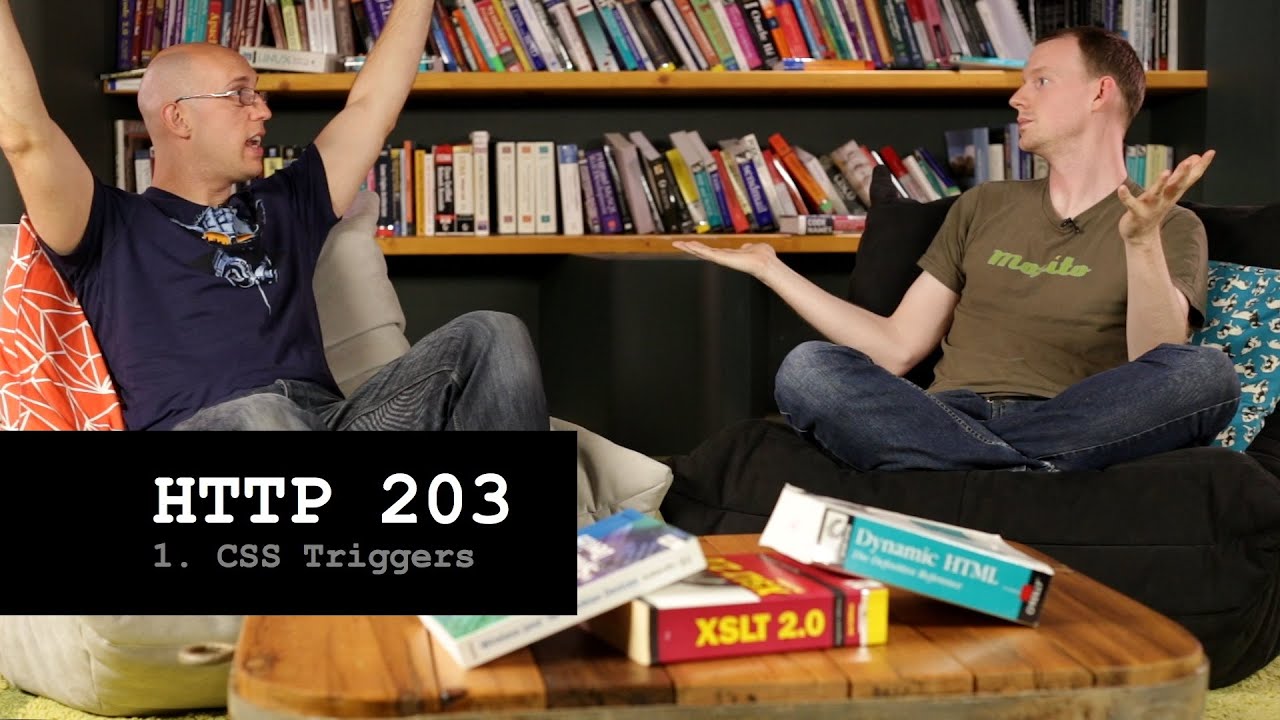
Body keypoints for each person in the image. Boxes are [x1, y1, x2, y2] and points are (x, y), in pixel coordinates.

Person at [674, 25, 1240, 472]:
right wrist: (772, 269)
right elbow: (896, 349)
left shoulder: (1171, 225)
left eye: (1041, 81)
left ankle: (954, 466)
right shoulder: (984, 205)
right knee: (808, 368)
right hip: (946, 410)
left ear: (1100, 92)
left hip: (1073, 415)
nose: (1017, 97)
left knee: (1205, 375)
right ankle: (1021, 469)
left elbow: (1156, 361)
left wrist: (1140, 242)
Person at [0, 0, 548, 431]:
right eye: (240, 95)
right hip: (215, 431)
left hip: (328, 419)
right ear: (178, 119)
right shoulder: (107, 226)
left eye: (259, 94)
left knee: (491, 332)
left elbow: (371, 108)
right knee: (263, 414)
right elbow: (25, 134)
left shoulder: (288, 204)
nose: (263, 110)